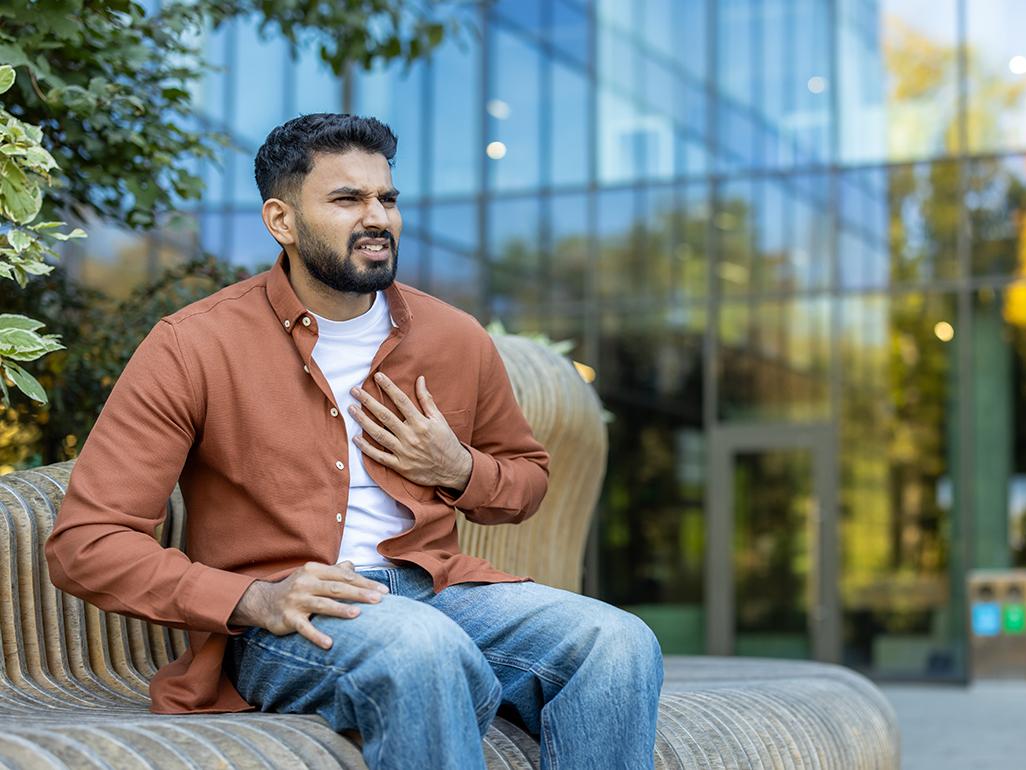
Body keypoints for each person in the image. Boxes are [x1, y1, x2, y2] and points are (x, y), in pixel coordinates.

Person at [44, 113, 664, 770]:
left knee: (616, 643)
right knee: (419, 649)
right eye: (348, 199)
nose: (378, 217)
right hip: (292, 615)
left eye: (387, 199)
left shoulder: (454, 338)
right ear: (281, 221)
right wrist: (254, 598)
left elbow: (527, 481)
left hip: (439, 590)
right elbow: (87, 543)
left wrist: (458, 469)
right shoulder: (195, 345)